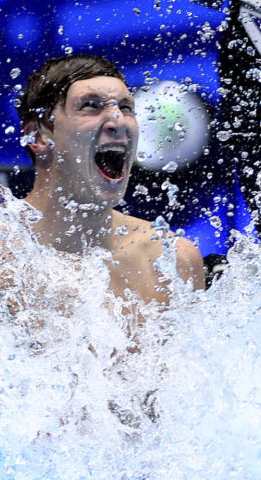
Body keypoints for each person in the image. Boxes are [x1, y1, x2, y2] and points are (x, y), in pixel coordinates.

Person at [16, 54, 206, 309]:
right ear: (37, 137)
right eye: (91, 105)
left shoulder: (172, 258)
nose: (118, 120)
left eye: (126, 107)